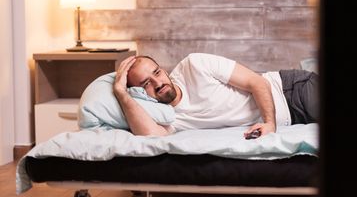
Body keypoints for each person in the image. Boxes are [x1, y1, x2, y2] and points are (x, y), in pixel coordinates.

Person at [113, 53, 318, 137]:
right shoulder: (166, 116)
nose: (158, 83)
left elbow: (257, 82)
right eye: (146, 83)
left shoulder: (194, 65)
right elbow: (150, 137)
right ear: (138, 92)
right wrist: (121, 93)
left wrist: (269, 123)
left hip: (290, 91)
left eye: (157, 72)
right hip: (293, 118)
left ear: (164, 70)